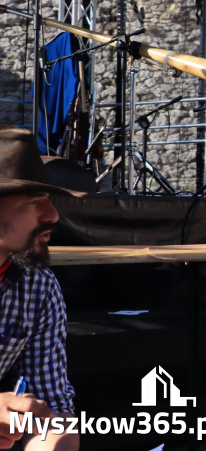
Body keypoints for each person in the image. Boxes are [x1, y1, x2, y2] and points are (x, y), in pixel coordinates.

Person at [0, 126, 81, 450]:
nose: (53, 215)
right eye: (35, 202)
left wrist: (52, 438)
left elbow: (54, 409)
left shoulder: (37, 286)